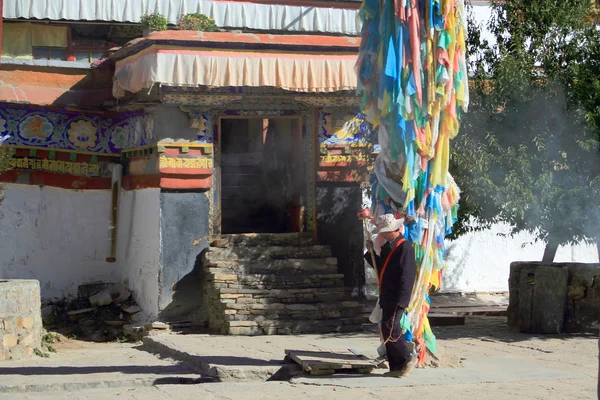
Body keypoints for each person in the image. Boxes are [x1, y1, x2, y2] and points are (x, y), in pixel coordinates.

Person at [364, 213, 418, 377]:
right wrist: (370, 252)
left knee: (391, 328)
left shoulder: (404, 247)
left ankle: (407, 358)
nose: (381, 234)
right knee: (386, 328)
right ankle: (396, 367)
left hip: (396, 297)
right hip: (387, 295)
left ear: (391, 230)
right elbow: (381, 269)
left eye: (383, 231)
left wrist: (403, 300)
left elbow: (407, 276)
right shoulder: (389, 247)